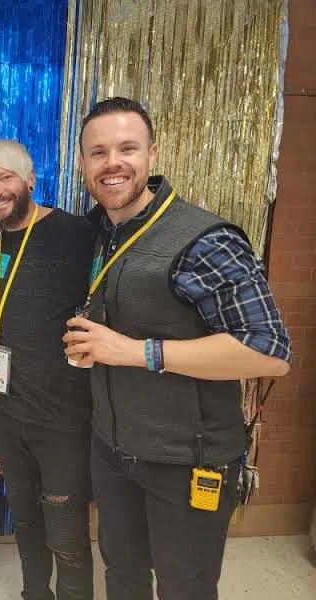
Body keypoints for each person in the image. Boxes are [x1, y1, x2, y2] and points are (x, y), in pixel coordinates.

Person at [62, 97, 292, 600]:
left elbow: (270, 352)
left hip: (189, 460)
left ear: (153, 154)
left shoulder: (205, 238)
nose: (112, 163)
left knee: (184, 588)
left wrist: (135, 352)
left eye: (127, 148)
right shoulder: (101, 230)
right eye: (98, 152)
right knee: (122, 576)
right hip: (113, 450)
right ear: (82, 163)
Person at [0, 139, 96, 600]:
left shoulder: (77, 233)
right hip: (9, 412)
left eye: (5, 178)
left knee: (65, 531)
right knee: (25, 522)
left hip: (62, 417)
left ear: (30, 179)